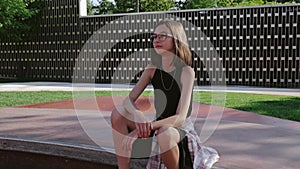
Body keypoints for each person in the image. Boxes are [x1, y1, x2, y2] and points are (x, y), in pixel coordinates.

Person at [111, 19, 219, 169]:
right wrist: (137, 115)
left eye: (162, 36)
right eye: (154, 36)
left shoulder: (186, 72)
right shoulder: (152, 68)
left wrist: (142, 129)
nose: (156, 40)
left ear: (176, 39)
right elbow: (127, 100)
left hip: (177, 130)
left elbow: (180, 118)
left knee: (165, 133)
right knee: (118, 113)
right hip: (156, 125)